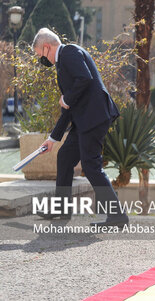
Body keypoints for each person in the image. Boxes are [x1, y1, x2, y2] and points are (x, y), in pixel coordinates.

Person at [33, 28, 128, 227]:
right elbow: (68, 107)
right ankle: (61, 208)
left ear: (47, 47)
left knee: (91, 165)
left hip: (93, 118)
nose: (42, 61)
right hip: (84, 120)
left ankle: (118, 216)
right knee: (65, 157)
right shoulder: (64, 62)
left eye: (40, 56)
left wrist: (66, 98)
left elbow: (84, 79)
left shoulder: (69, 52)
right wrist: (53, 139)